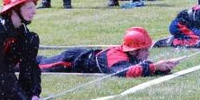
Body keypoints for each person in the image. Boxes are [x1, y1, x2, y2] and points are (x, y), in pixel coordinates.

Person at [38, 27, 179, 77]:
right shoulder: (116, 57)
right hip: (71, 60)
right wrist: (154, 66)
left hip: (81, 55)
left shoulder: (131, 56)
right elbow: (124, 72)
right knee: (40, 66)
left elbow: (142, 69)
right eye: (145, 49)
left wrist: (164, 67)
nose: (148, 53)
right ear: (135, 50)